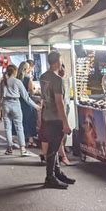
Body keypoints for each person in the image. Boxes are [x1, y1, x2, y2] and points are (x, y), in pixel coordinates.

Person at [39, 50, 76, 189]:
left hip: (46, 115)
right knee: (53, 148)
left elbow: (44, 98)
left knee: (53, 145)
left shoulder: (43, 77)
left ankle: (57, 172)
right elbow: (59, 102)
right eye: (60, 60)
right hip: (55, 117)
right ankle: (50, 176)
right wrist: (65, 123)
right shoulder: (57, 80)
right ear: (57, 62)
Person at [0, 64, 40, 157]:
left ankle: (9, 148)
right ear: (15, 72)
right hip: (15, 104)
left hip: (5, 104)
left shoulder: (3, 82)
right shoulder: (17, 82)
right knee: (19, 127)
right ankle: (23, 149)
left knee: (7, 127)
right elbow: (26, 97)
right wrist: (35, 106)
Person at [17, 61, 37, 147]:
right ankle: (31, 140)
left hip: (19, 102)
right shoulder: (28, 79)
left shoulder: (17, 78)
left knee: (21, 121)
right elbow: (32, 92)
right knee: (29, 120)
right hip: (27, 102)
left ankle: (21, 140)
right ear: (27, 69)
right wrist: (36, 89)